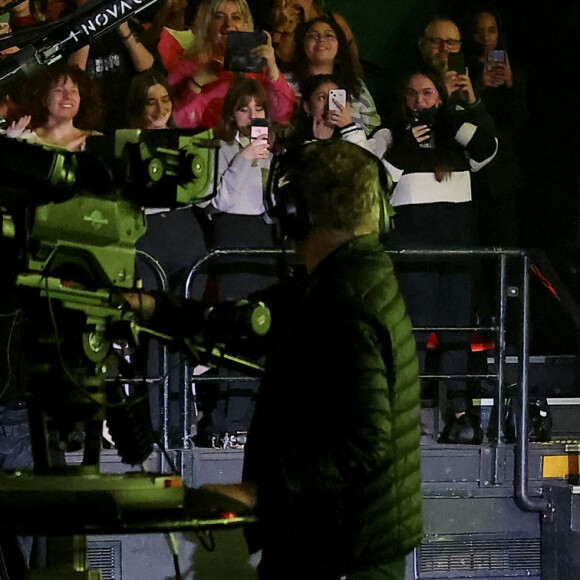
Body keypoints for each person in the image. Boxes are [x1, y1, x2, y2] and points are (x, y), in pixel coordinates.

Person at [126, 139, 423, 579]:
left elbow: (363, 443)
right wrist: (147, 307)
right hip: (334, 541)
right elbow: (238, 323)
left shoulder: (345, 299)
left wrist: (262, 493)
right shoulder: (337, 281)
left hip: (343, 552)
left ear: (295, 214)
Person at [383, 67, 498, 444]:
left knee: (455, 339)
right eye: (413, 94)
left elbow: (487, 150)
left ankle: (461, 416)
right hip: (412, 258)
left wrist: (451, 118)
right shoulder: (390, 135)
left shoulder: (456, 135)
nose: (420, 101)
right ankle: (404, 417)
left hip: (456, 256)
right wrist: (403, 147)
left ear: (440, 96)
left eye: (429, 93)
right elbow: (374, 180)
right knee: (410, 339)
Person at [169, 0, 295, 130]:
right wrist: (195, 83)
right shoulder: (186, 68)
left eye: (236, 17)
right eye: (219, 17)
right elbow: (180, 124)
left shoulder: (260, 68)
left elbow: (282, 116)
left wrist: (273, 69)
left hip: (254, 144)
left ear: (245, 25)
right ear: (206, 24)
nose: (229, 24)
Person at [288, 15, 380, 135]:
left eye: (329, 35)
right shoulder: (286, 83)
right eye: (313, 36)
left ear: (339, 45)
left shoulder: (356, 86)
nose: (321, 39)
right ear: (303, 44)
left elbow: (375, 133)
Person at [69, 18, 163, 131]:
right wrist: (86, 33)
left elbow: (147, 68)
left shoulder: (131, 25)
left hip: (128, 115)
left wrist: (125, 32)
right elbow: (73, 74)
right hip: (89, 119)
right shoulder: (73, 28)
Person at [283, 73, 390, 158]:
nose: (329, 105)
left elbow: (366, 171)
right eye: (322, 98)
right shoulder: (291, 143)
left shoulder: (354, 137)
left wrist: (348, 127)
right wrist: (319, 143)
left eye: (335, 98)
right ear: (307, 106)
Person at [3, 63, 102, 151]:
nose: (67, 96)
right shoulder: (26, 139)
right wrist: (12, 140)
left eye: (74, 91)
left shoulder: (96, 140)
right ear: (43, 98)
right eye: (59, 90)